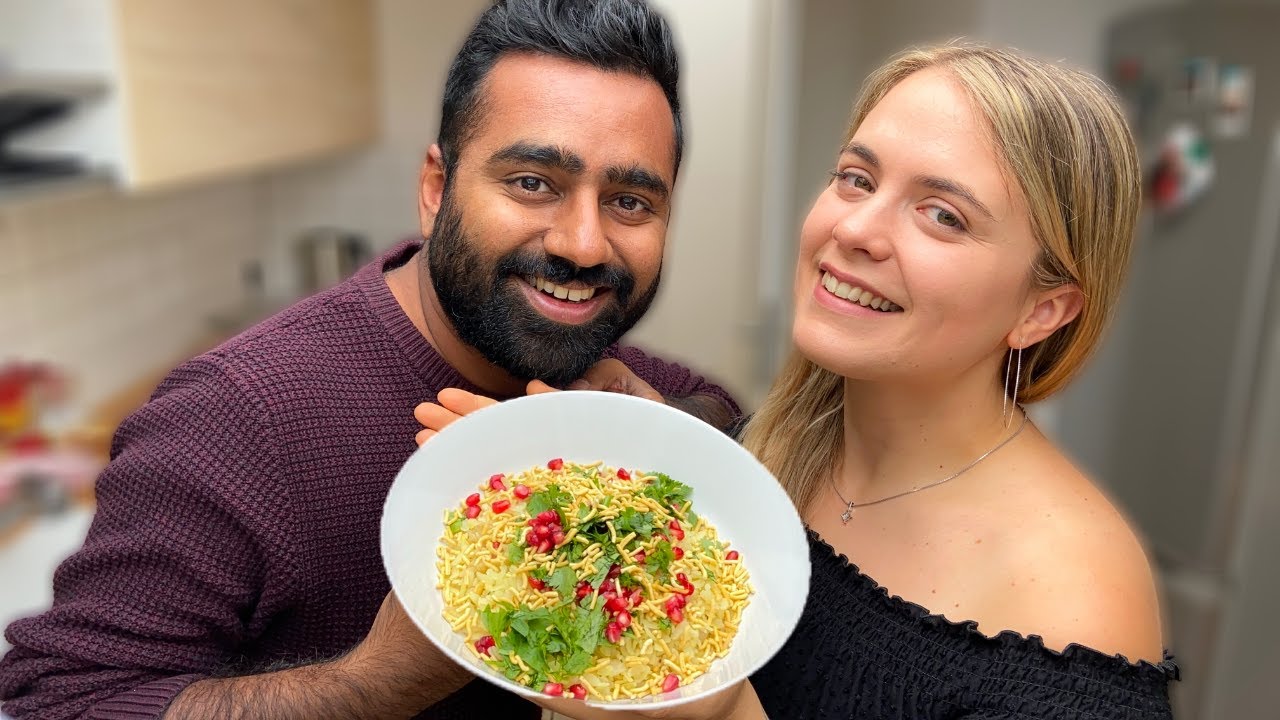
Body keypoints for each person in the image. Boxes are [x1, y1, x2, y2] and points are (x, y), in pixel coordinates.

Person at [0, 2, 741, 719]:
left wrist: (667, 435)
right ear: (436, 188)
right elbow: (63, 701)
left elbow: (724, 418)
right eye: (532, 183)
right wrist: (381, 681)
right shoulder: (233, 421)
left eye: (630, 202)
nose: (582, 244)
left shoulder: (617, 383)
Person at [418, 44, 1178, 719]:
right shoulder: (779, 448)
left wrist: (721, 708)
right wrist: (634, 480)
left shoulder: (1076, 605)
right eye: (856, 178)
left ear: (1043, 310)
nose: (855, 229)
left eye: (943, 215)